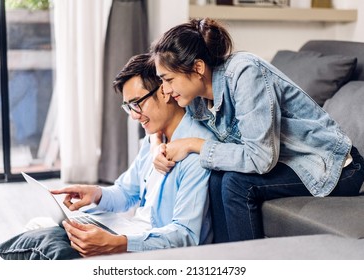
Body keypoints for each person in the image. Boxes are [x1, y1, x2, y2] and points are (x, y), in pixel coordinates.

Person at [150, 18, 364, 243]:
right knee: (217, 177)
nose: (164, 90)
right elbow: (161, 119)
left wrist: (194, 145)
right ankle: (225, 261)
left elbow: (260, 158)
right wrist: (157, 145)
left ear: (198, 68)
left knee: (237, 183)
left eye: (168, 80)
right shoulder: (195, 97)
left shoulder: (245, 73)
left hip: (336, 167)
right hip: (287, 162)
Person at [51, 53, 216, 257]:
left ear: (165, 90)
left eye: (137, 103)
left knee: (53, 248)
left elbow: (186, 234)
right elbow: (127, 193)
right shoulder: (154, 139)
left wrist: (118, 244)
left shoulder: (195, 151)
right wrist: (96, 194)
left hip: (152, 249)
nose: (134, 115)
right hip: (131, 233)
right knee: (47, 228)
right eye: (128, 107)